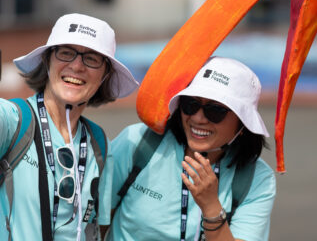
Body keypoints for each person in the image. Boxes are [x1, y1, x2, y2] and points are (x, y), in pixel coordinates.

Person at [0, 13, 139, 240]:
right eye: (66, 53)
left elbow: (95, 230)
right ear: (47, 60)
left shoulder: (99, 145)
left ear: (105, 75)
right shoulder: (15, 121)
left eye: (92, 58)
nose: (77, 66)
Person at [103, 56, 276, 240]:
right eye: (190, 105)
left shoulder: (257, 179)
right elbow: (96, 223)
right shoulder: (138, 142)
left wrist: (211, 207)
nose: (198, 118)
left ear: (243, 124)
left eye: (215, 110)